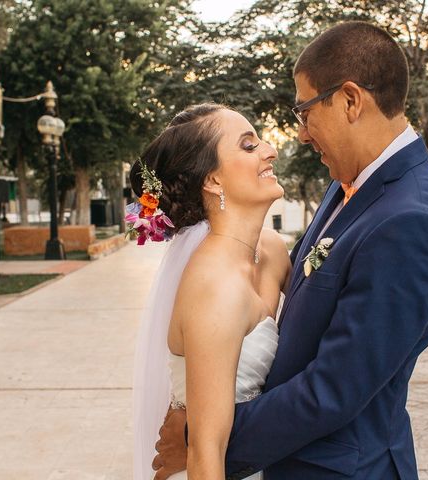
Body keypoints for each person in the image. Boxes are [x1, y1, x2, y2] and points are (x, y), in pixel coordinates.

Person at [153, 21, 428, 480]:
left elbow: (334, 389)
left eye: (304, 112)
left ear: (350, 100)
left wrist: (204, 440)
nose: (298, 134)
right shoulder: (348, 183)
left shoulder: (410, 219)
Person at [131, 103, 291, 480]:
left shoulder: (271, 250)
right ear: (214, 181)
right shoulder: (213, 285)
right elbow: (205, 451)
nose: (270, 149)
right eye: (249, 146)